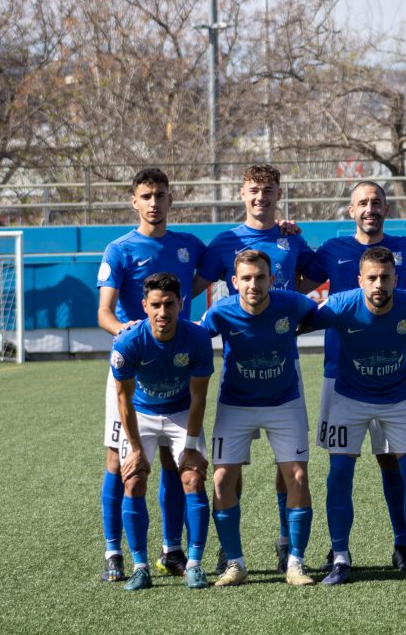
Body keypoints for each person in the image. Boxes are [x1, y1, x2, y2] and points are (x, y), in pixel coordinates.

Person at [299, 181, 406, 572]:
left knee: (392, 462)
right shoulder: (331, 250)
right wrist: (288, 233)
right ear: (351, 210)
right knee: (341, 466)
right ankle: (339, 550)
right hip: (339, 376)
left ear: (387, 207)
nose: (370, 208)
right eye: (362, 203)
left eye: (376, 202)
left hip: (390, 378)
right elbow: (294, 288)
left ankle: (402, 544)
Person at [96, 168, 211, 583]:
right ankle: (114, 552)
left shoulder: (188, 245)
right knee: (120, 461)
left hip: (177, 365)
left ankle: (172, 549)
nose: (154, 203)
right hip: (133, 368)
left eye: (160, 195)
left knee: (175, 461)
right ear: (134, 201)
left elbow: (231, 257)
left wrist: (281, 228)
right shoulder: (119, 249)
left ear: (170, 199)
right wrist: (125, 331)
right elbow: (104, 312)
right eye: (146, 196)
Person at [313, 246, 406, 585]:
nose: (379, 284)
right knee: (339, 473)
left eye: (385, 278)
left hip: (399, 399)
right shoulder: (340, 305)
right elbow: (294, 323)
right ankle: (340, 558)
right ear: (360, 280)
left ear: (396, 280)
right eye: (372, 278)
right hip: (349, 398)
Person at [201, 163, 316, 574]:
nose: (260, 197)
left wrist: (284, 314)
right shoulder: (225, 242)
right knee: (227, 473)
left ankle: (288, 544)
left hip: (285, 376)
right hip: (237, 383)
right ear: (242, 193)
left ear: (279, 194)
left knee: (291, 470)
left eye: (268, 190)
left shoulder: (292, 239)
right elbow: (190, 287)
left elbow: (317, 281)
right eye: (253, 190)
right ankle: (229, 551)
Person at [110, 272, 213, 590]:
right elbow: (123, 400)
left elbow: (199, 397)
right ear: (144, 305)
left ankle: (194, 564)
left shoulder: (197, 339)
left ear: (181, 304)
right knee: (133, 478)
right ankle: (140, 567)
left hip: (181, 412)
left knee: (193, 477)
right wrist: (135, 449)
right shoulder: (127, 342)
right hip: (142, 414)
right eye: (155, 305)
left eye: (169, 304)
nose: (163, 312)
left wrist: (191, 446)